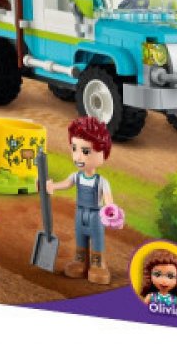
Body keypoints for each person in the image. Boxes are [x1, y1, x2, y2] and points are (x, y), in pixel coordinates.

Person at [46, 117, 122, 285]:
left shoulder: (101, 181)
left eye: (86, 151)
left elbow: (109, 201)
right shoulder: (76, 176)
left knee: (97, 238)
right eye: (74, 149)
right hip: (80, 212)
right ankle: (80, 260)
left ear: (103, 153)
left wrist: (111, 212)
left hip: (95, 215)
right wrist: (53, 186)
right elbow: (66, 183)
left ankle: (98, 263)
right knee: (80, 235)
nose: (78, 156)